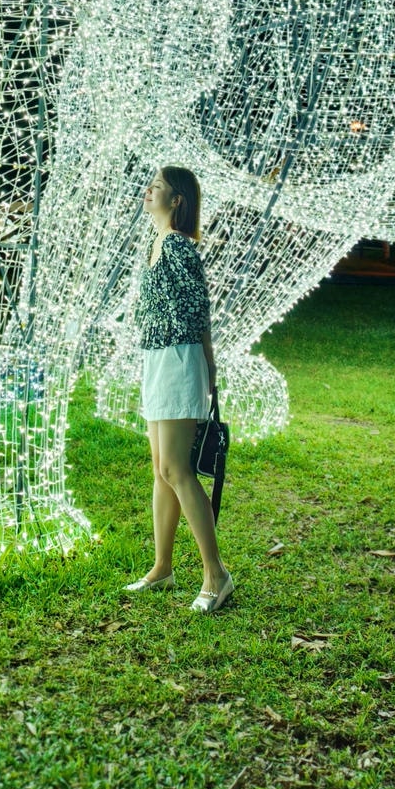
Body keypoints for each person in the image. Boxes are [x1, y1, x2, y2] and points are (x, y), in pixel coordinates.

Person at [124, 165, 233, 613]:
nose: (148, 191)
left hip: (178, 359)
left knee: (176, 469)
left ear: (177, 201)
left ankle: (216, 574)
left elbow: (198, 311)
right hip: (157, 359)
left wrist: (206, 367)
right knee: (161, 469)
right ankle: (162, 567)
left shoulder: (177, 246)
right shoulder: (155, 243)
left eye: (158, 188)